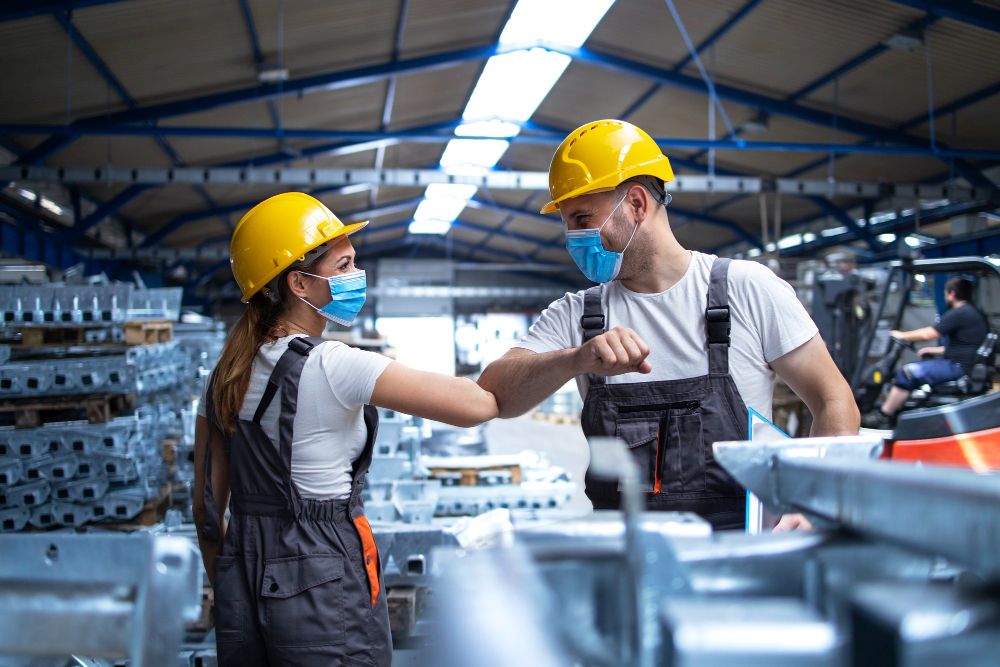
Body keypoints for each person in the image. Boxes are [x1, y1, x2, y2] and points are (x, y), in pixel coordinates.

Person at [478, 119, 860, 532]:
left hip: (744, 558)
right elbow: (498, 393)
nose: (574, 237)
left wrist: (811, 505)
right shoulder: (578, 315)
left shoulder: (745, 289)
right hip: (628, 565)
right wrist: (575, 359)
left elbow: (833, 400)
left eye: (583, 217)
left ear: (637, 204)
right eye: (568, 223)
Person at [192, 192, 504, 666]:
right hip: (321, 571)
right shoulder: (335, 364)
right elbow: (477, 405)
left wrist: (235, 583)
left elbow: (206, 512)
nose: (356, 277)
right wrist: (574, 356)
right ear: (299, 282)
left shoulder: (224, 376)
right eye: (343, 266)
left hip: (241, 573)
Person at [865, 276, 989, 427]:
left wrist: (901, 335)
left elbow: (930, 334)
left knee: (907, 373)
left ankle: (884, 415)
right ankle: (898, 411)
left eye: (945, 294)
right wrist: (933, 350)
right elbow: (963, 346)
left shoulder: (960, 313)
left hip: (958, 367)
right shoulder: (972, 313)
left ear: (952, 294)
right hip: (962, 364)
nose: (945, 297)